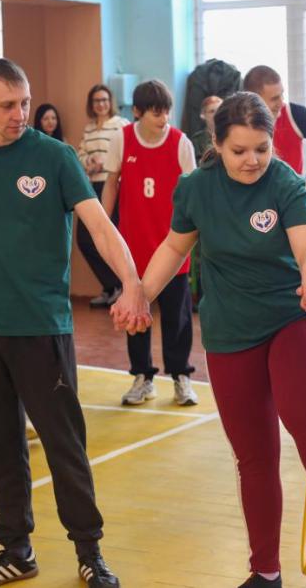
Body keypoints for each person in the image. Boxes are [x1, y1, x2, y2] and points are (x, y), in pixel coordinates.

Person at [116, 92, 306, 588]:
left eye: (261, 148)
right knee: (253, 456)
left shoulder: (283, 181)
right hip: (230, 329)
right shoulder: (195, 188)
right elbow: (174, 247)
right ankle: (265, 572)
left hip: (293, 316)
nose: (252, 160)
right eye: (239, 151)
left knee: (305, 416)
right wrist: (141, 294)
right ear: (217, 144)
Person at [0, 58, 151, 588]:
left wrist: (131, 282)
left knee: (64, 445)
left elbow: (99, 225)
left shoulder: (54, 157)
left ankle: (89, 551)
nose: (19, 114)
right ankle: (16, 550)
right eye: (7, 105)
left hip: (42, 328)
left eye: (24, 102)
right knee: (0, 445)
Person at [99, 79, 199, 406]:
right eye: (157, 112)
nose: (164, 118)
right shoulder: (123, 138)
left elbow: (193, 191)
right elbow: (111, 183)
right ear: (138, 112)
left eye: (167, 111)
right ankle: (143, 377)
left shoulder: (181, 142)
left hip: (173, 249)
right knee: (135, 315)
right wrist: (103, 222)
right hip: (133, 249)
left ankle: (181, 376)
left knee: (177, 317)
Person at [78, 84, 129, 308]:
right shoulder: (89, 129)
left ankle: (120, 286)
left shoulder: (120, 124)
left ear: (111, 102)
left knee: (111, 237)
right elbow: (80, 154)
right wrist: (88, 162)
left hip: (113, 186)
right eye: (97, 100)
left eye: (104, 100)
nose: (101, 104)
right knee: (84, 240)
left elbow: (126, 153)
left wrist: (106, 163)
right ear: (91, 104)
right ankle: (112, 286)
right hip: (91, 187)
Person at [190, 94, 222, 162]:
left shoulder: (231, 135)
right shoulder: (197, 140)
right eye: (212, 111)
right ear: (203, 115)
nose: (216, 114)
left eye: (219, 110)